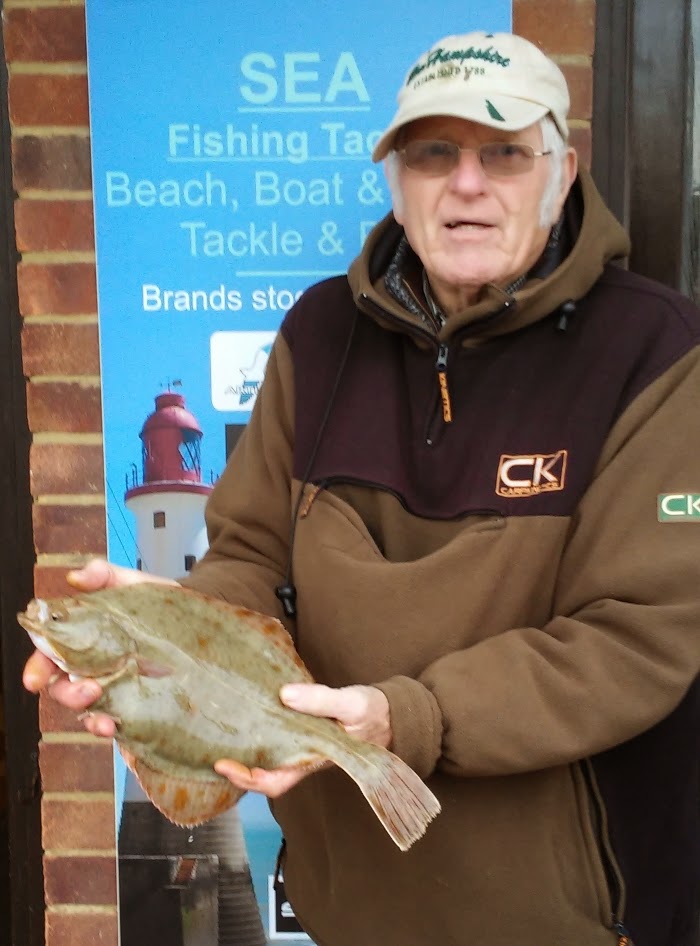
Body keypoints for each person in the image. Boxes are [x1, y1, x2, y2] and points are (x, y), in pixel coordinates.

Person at [23, 30, 700, 946]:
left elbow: (637, 633)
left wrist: (407, 718)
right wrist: (167, 630)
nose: (467, 183)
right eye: (434, 153)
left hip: (566, 918)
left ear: (563, 172)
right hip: (348, 901)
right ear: (395, 179)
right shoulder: (320, 334)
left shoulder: (658, 355)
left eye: (505, 152)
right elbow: (253, 556)